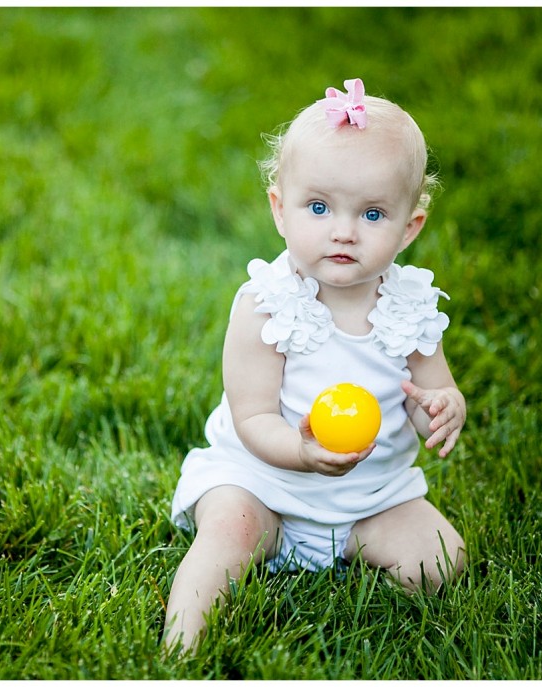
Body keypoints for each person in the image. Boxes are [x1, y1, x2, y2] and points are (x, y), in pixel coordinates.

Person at [163, 78, 467, 653]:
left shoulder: (411, 307)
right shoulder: (266, 304)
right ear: (281, 210)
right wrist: (300, 452)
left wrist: (444, 410)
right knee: (231, 531)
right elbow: (252, 418)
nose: (344, 231)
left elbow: (430, 392)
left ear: (410, 228)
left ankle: (356, 583)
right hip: (264, 482)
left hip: (369, 497)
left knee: (442, 559)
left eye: (373, 214)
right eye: (320, 207)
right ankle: (182, 644)